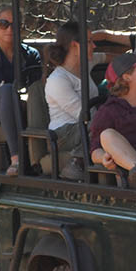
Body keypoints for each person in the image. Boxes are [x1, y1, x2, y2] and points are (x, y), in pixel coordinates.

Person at [89, 53, 136, 191]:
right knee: (107, 135)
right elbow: (95, 150)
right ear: (126, 77)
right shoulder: (108, 111)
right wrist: (104, 158)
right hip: (131, 174)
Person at [44, 21, 100, 178]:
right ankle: (77, 162)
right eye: (89, 41)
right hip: (62, 135)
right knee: (99, 126)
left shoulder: (86, 65)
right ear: (75, 46)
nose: (94, 46)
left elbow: (106, 57)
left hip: (86, 125)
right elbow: (83, 115)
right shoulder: (57, 80)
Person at [0, 3, 42, 175]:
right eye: (3, 24)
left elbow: (36, 88)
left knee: (11, 93)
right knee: (7, 91)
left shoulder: (31, 54)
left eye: (14, 25)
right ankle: (17, 158)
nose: (9, 29)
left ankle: (39, 160)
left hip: (24, 103)